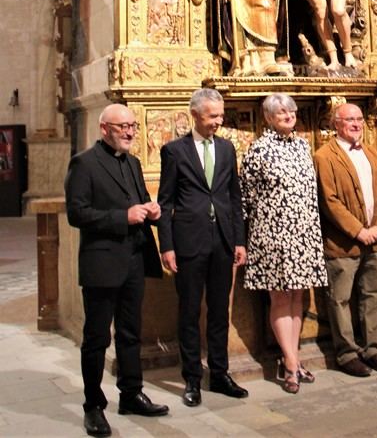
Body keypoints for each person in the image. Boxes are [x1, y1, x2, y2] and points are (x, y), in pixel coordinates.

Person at [64, 103, 169, 438]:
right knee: (96, 338)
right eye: (122, 126)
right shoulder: (84, 163)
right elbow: (77, 213)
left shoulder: (134, 163)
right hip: (102, 261)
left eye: (133, 126)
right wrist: (122, 217)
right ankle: (93, 405)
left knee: (130, 332)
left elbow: (136, 201)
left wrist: (150, 210)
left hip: (134, 259)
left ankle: (131, 394)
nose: (130, 132)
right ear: (104, 128)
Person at [157, 88, 248, 408]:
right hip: (189, 243)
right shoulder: (174, 151)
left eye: (221, 115)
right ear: (195, 115)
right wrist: (166, 246)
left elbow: (234, 198)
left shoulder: (226, 149)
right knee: (190, 311)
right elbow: (165, 203)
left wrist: (239, 239)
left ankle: (220, 374)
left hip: (223, 241)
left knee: (220, 311)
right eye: (212, 116)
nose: (218, 122)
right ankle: (192, 379)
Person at [240, 94, 328, 393]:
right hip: (272, 236)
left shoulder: (303, 145)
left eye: (291, 109)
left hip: (302, 234)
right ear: (268, 117)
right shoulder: (259, 150)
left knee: (297, 299)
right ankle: (290, 362)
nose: (289, 114)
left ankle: (293, 357)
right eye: (281, 111)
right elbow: (245, 197)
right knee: (280, 299)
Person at [314, 103, 377, 376]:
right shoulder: (324, 156)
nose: (357, 124)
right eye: (350, 119)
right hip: (344, 242)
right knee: (341, 299)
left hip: (376, 239)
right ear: (336, 123)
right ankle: (346, 353)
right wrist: (358, 230)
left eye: (359, 118)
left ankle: (373, 348)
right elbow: (329, 200)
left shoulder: (371, 152)